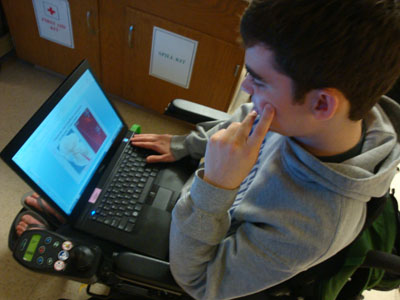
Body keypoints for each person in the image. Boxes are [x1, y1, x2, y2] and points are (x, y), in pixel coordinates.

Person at [17, 0, 400, 299]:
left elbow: (200, 283)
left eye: (260, 80)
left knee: (71, 224)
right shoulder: (324, 114)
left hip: (201, 243)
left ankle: (75, 221)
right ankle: (84, 206)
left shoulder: (316, 222)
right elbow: (245, 116)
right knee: (108, 174)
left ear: (321, 104)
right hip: (210, 196)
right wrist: (187, 144)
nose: (246, 89)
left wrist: (216, 185)